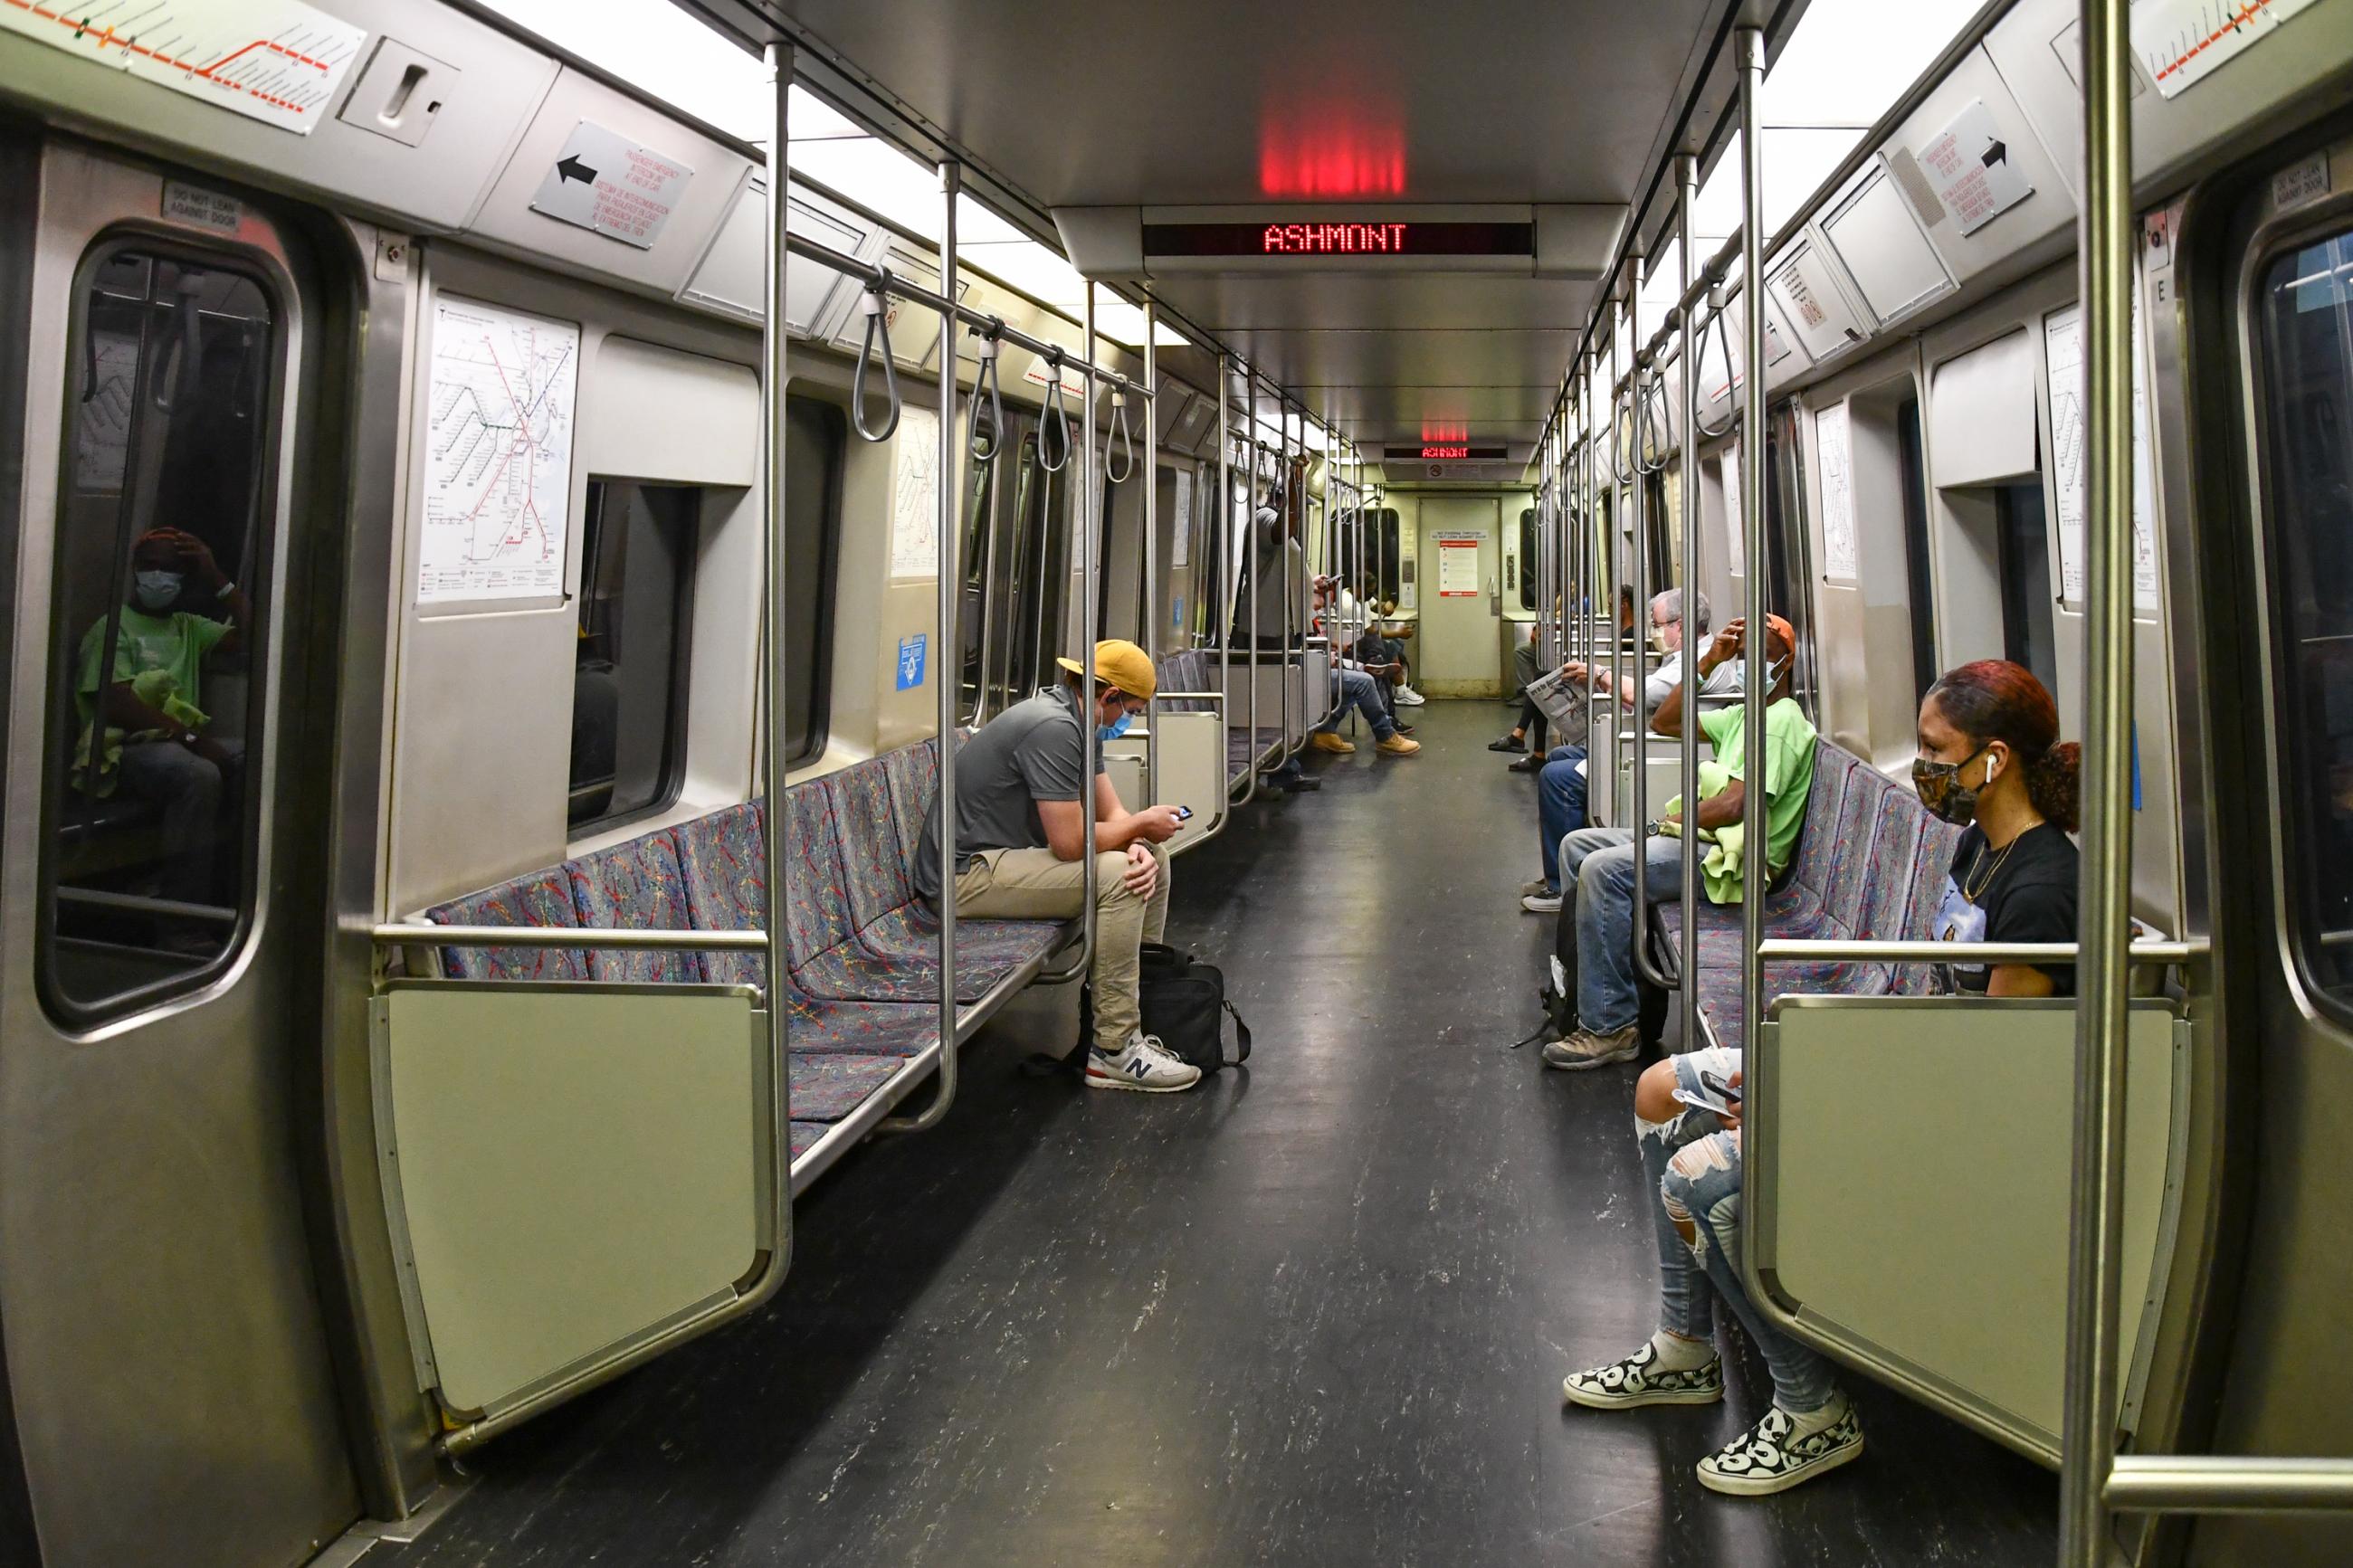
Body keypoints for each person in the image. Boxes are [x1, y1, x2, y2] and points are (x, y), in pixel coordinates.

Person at [1558, 660, 2081, 1496]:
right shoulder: (1982, 844)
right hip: (1911, 1063)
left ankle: (1812, 1411)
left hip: (1954, 1113)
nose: (1926, 773)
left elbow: (1998, 1077)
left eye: (1938, 753)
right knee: (1660, 1088)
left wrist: (1825, 1103)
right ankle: (1686, 1349)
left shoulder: (2043, 888)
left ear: (1996, 758)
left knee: (1705, 1173)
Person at [915, 639, 1198, 1092]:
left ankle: (1136, 1013)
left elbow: (1113, 815)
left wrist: (1139, 839)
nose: (1131, 720)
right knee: (1122, 880)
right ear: (1109, 697)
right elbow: (1069, 844)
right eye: (1133, 709)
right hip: (965, 876)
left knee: (1154, 863)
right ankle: (1114, 1048)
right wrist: (1138, 828)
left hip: (1007, 861)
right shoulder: (1053, 728)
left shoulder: (1083, 723)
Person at [1538, 614, 1810, 1069]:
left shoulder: (1780, 721)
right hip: (1701, 839)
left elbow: (1735, 806)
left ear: (1785, 663)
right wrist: (1707, 662)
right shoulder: (1745, 714)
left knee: (1604, 870)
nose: (1746, 667)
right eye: (1742, 658)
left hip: (1728, 858)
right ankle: (1588, 984)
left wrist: (1677, 820)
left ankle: (1611, 1026)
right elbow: (1666, 721)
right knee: (1578, 846)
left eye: (1757, 659)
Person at [1519, 589, 1743, 911]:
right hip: (1648, 743)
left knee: (1558, 777)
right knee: (1560, 757)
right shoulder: (1683, 657)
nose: (1655, 632)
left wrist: (1599, 674)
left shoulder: (1700, 660)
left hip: (1668, 752)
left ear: (1681, 625)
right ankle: (1564, 868)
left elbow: (1646, 694)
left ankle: (1561, 890)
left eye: (1658, 624)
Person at [75, 527, 250, 906]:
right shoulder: (111, 627)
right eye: (150, 566)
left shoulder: (188, 626)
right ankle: (179, 916)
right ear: (136, 570)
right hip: (122, 752)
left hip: (178, 745)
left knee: (256, 761)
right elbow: (116, 703)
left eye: (170, 568)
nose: (159, 575)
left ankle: (227, 896)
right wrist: (193, 740)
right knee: (199, 774)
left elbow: (259, 633)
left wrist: (216, 577)